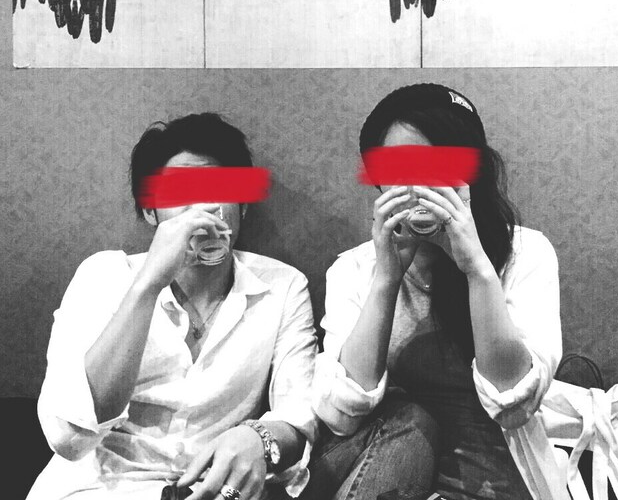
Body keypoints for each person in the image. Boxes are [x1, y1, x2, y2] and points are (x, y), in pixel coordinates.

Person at [27, 113, 317, 500]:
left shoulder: (283, 286)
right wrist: (149, 283)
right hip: (96, 489)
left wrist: (259, 438)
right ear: (151, 212)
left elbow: (297, 419)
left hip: (208, 490)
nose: (205, 209)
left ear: (243, 206)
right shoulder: (103, 276)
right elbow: (69, 438)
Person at [304, 84, 563, 500]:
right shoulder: (354, 269)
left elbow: (513, 406)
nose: (418, 186)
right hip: (385, 474)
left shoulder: (525, 253)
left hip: (496, 482)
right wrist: (386, 278)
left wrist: (477, 269)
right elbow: (341, 413)